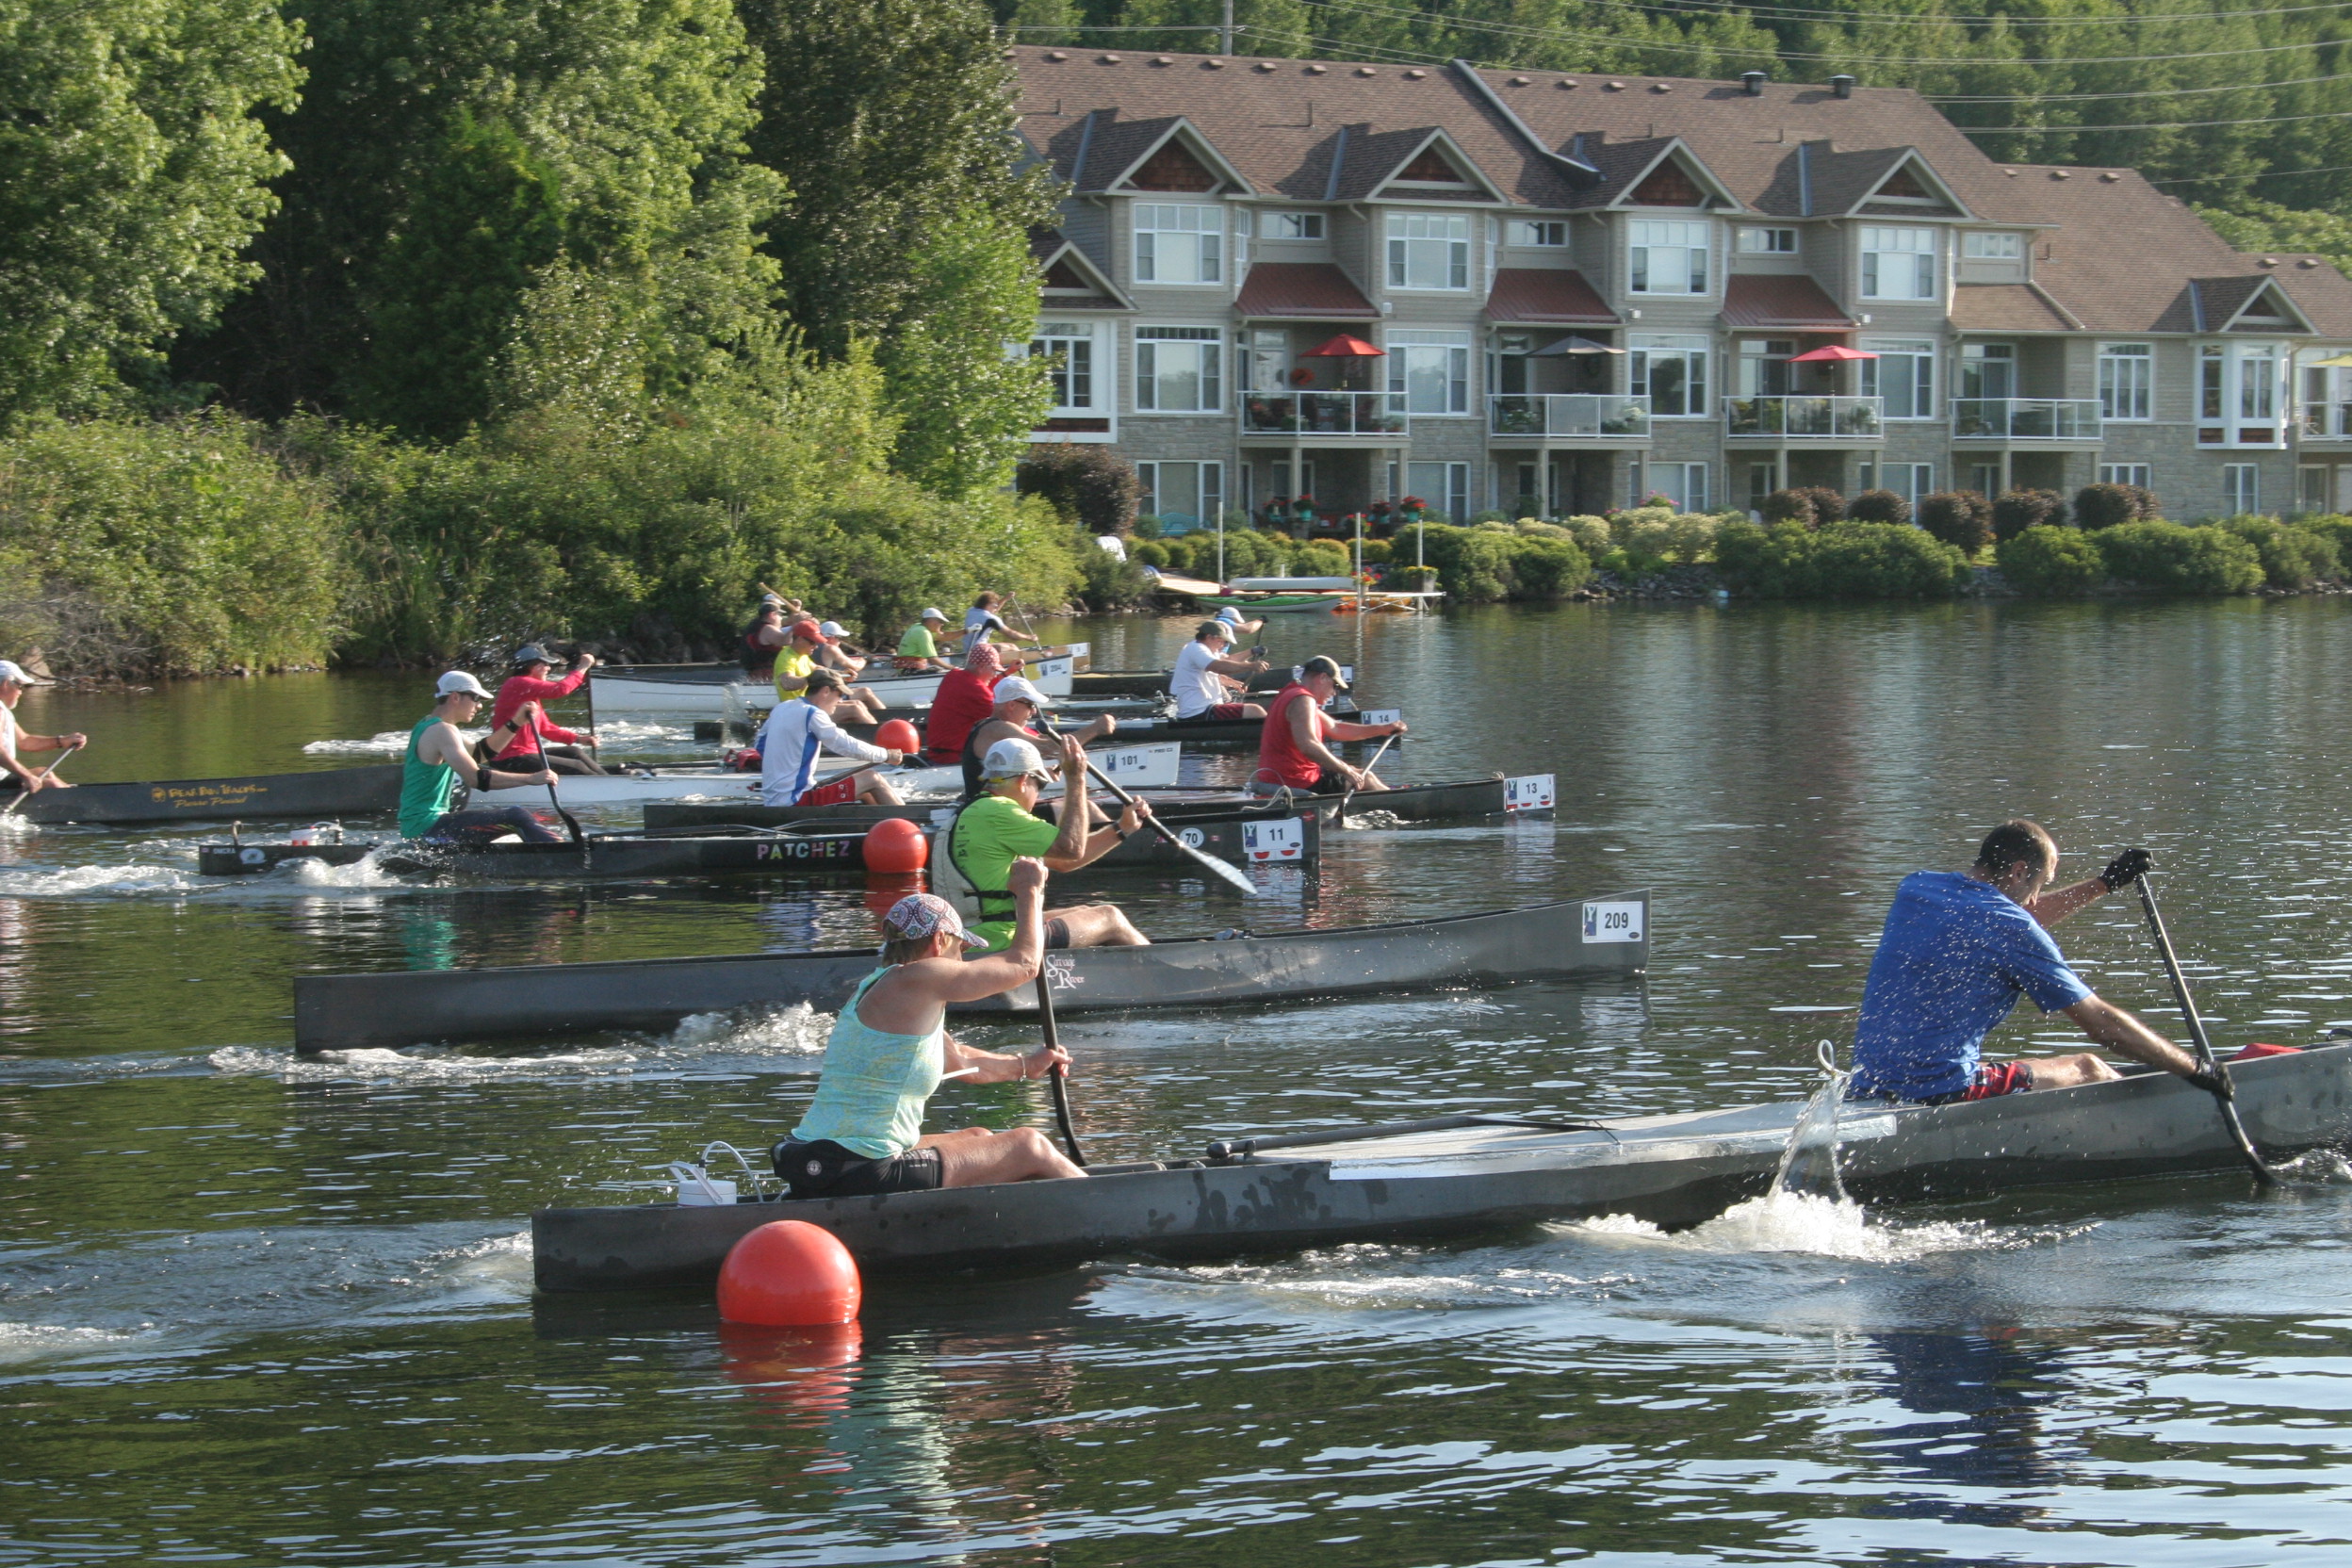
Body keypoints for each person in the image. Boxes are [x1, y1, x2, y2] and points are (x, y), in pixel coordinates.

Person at [1848, 821, 2215, 1104]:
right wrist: (2195, 1069)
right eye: (2041, 882)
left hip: (1869, 1083)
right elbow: (2105, 1029)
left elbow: (2007, 917)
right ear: (2020, 871)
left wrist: (2105, 883)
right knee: (2089, 1068)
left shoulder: (1917, 888)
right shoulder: (2010, 927)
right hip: (1942, 1091)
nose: (2036, 896)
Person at [769, 872, 1086, 1197]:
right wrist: (1029, 889)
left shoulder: (883, 991)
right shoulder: (918, 976)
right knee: (1028, 1145)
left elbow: (960, 1060)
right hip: (858, 1164)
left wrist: (1026, 1065)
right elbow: (1024, 965)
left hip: (825, 1156)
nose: (963, 958)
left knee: (978, 1137)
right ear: (939, 941)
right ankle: (1113, 1205)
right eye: (960, 947)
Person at [936, 734, 1151, 950]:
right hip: (999, 938)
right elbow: (1071, 847)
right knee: (1109, 917)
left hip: (971, 935)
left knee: (1083, 911)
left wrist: (1122, 828)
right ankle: (1164, 973)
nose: (1037, 796)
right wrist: (1076, 779)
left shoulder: (971, 814)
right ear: (1023, 781)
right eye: (1039, 785)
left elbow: (1063, 861)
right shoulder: (999, 811)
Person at [400, 672, 564, 844]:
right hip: (427, 828)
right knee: (517, 816)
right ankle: (565, 854)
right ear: (455, 697)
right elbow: (476, 778)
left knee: (515, 818)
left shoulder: (429, 724)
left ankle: (551, 848)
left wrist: (516, 722)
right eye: (476, 698)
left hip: (421, 827)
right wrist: (531, 778)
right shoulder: (442, 731)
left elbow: (480, 753)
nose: (479, 706)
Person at [1251, 655, 1405, 794]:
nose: (1335, 693)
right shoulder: (1303, 700)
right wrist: (1345, 770)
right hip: (1297, 782)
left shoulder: (1291, 693)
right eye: (1335, 686)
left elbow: (1336, 728)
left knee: (1357, 772)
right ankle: (1401, 801)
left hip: (1278, 777)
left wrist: (1383, 729)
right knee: (1368, 779)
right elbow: (1308, 745)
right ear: (1323, 677)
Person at [757, 669, 906, 807]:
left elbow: (759, 743)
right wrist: (886, 755)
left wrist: (783, 764)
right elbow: (845, 745)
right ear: (826, 691)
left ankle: (877, 827)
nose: (840, 701)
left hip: (774, 798)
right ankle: (909, 826)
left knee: (865, 792)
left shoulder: (782, 707)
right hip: (797, 800)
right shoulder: (812, 714)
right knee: (872, 779)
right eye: (839, 695)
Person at [959, 675, 1113, 802]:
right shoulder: (998, 728)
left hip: (995, 803)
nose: (1033, 711)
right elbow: (1048, 749)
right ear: (1011, 705)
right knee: (1088, 809)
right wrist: (1095, 728)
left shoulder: (993, 726)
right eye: (1030, 704)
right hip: (989, 808)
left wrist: (1040, 773)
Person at [487, 644, 608, 776]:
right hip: (509, 758)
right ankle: (607, 786)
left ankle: (609, 778)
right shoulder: (517, 682)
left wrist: (578, 738)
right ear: (533, 666)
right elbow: (558, 690)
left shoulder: (528, 694)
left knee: (574, 752)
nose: (548, 668)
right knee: (576, 765)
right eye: (545, 664)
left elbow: (546, 728)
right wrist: (582, 667)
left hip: (526, 754)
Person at [0, 660, 86, 794]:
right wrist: (26, 776)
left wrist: (62, 741)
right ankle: (89, 811)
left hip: (3, 777)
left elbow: (25, 741)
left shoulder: (4, 711)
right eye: (19, 686)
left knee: (44, 772)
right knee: (52, 785)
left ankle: (84, 803)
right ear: (6, 684)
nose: (20, 692)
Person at [774, 619, 881, 722]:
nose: (815, 647)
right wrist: (812, 678)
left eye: (817, 643)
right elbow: (787, 683)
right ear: (800, 639)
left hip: (812, 704)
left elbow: (820, 670)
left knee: (858, 703)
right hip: (798, 710)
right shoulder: (786, 658)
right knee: (854, 709)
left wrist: (842, 674)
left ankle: (885, 725)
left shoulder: (802, 655)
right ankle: (880, 735)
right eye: (813, 642)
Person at [922, 640, 1007, 764]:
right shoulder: (975, 689)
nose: (995, 675)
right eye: (994, 670)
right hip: (952, 758)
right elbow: (1007, 719)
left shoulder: (952, 676)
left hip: (937, 752)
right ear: (982, 667)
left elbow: (982, 691)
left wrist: (1005, 674)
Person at [1169, 619, 1271, 722]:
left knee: (1242, 706)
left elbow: (1229, 660)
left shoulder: (1208, 650)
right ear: (1209, 637)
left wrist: (1252, 651)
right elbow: (1218, 667)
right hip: (1198, 712)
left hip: (1207, 709)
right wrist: (1250, 666)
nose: (1224, 645)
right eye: (1222, 641)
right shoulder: (1196, 649)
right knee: (1255, 710)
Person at [961, 592, 1040, 660]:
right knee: (1012, 648)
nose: (996, 606)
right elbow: (1011, 634)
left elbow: (993, 609)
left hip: (968, 649)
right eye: (994, 604)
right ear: (988, 604)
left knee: (1011, 645)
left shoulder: (971, 610)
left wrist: (1006, 598)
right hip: (978, 651)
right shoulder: (991, 618)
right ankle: (1012, 669)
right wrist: (1029, 637)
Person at [739, 596, 792, 679]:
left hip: (756, 675)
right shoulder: (767, 628)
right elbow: (785, 641)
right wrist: (797, 625)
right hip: (768, 676)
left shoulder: (755, 626)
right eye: (780, 615)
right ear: (772, 615)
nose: (781, 618)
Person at [895, 607, 956, 675]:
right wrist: (953, 669)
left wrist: (967, 631)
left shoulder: (916, 627)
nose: (942, 624)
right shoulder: (924, 632)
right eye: (940, 621)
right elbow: (932, 660)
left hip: (904, 670)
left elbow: (946, 636)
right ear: (932, 621)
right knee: (940, 670)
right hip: (910, 671)